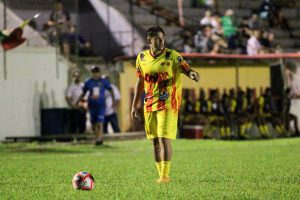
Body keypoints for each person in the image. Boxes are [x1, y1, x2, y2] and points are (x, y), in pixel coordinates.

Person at [131, 26, 200, 183]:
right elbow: (140, 82)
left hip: (168, 103)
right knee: (155, 142)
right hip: (149, 104)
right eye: (157, 38)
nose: (161, 41)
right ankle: (160, 175)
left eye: (162, 37)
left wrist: (192, 74)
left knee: (163, 139)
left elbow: (187, 69)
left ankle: (165, 176)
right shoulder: (141, 58)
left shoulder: (173, 56)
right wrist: (134, 105)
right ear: (149, 40)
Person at [77, 66, 114, 145]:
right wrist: (78, 101)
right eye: (93, 72)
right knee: (93, 123)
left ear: (99, 73)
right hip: (92, 105)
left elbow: (111, 90)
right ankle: (96, 137)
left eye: (96, 72)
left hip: (101, 105)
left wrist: (113, 101)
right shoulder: (88, 82)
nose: (95, 74)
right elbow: (83, 93)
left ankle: (99, 139)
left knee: (100, 123)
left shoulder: (104, 81)